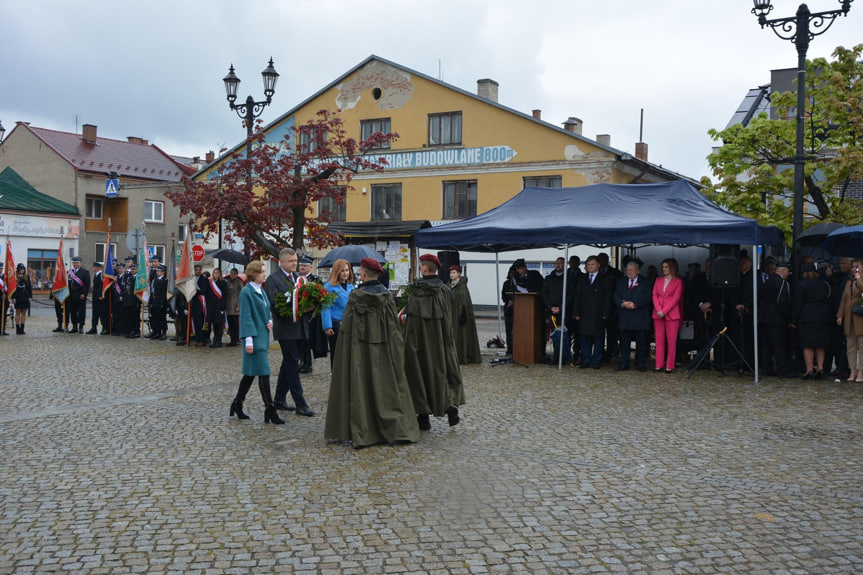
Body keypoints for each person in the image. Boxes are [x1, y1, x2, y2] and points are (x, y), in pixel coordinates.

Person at [325, 257, 421, 448]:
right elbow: (394, 331)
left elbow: (347, 332)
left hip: (359, 352)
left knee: (360, 386)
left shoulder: (355, 298)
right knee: (388, 387)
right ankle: (395, 429)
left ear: (363, 273)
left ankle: (363, 430)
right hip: (384, 352)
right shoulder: (386, 298)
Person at [403, 253, 465, 430]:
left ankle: (423, 416)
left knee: (418, 374)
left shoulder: (415, 292)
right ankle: (449, 407)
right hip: (440, 341)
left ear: (424, 268)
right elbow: (448, 318)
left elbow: (410, 323)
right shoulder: (444, 291)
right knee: (441, 372)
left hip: (417, 343)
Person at [229, 260, 283, 424]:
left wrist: (269, 321)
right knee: (264, 372)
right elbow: (246, 317)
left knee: (251, 374)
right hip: (253, 337)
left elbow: (266, 310)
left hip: (262, 335)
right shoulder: (246, 292)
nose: (264, 274)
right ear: (253, 274)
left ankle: (237, 403)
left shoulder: (262, 290)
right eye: (261, 272)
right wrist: (249, 340)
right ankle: (270, 409)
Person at [265, 247, 315, 417]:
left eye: (296, 261)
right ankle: (300, 403)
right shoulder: (274, 279)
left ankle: (279, 398)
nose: (295, 264)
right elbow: (275, 305)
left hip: (300, 328)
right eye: (291, 261)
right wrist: (295, 307)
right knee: (293, 365)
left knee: (288, 364)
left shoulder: (298, 279)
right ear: (282, 262)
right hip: (286, 330)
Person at [791, 263, 833, 379]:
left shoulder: (801, 285)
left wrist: (794, 320)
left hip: (807, 316)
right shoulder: (824, 285)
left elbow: (798, 304)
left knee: (807, 344)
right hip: (823, 316)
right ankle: (820, 368)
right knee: (821, 344)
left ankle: (809, 369)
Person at [612, 260, 652, 372]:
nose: (629, 272)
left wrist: (635, 304)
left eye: (631, 270)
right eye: (628, 270)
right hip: (625, 317)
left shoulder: (646, 281)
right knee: (624, 342)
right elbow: (615, 295)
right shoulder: (621, 281)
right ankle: (624, 363)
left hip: (640, 316)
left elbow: (647, 296)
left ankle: (641, 363)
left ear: (637, 271)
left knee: (641, 343)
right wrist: (623, 303)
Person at [572, 255, 610, 369]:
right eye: (588, 264)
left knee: (598, 337)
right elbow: (576, 296)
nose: (590, 266)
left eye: (592, 264)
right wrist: (576, 312)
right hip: (584, 313)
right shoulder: (582, 278)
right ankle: (586, 359)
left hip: (598, 313)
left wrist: (606, 313)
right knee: (584, 337)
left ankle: (596, 361)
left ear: (598, 265)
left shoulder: (605, 278)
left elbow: (607, 297)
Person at [758, 259, 794, 377]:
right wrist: (788, 319)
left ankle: (767, 368)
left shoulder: (768, 281)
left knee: (766, 346)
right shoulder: (783, 283)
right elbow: (783, 303)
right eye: (787, 272)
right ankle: (782, 370)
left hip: (764, 318)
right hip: (776, 319)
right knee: (779, 345)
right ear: (783, 271)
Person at [652, 258, 684, 373]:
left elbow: (676, 299)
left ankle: (670, 365)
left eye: (666, 267)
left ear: (672, 268)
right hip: (658, 313)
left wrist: (664, 311)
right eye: (663, 267)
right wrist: (658, 309)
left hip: (671, 313)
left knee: (671, 340)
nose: (663, 269)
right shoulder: (658, 280)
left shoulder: (678, 282)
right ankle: (658, 364)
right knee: (659, 340)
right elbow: (654, 295)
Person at [321, 258, 354, 367]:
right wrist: (327, 325)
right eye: (342, 271)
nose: (345, 273)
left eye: (347, 270)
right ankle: (335, 375)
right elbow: (326, 307)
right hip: (336, 324)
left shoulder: (351, 286)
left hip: (349, 323)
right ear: (336, 271)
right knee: (337, 352)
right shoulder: (329, 287)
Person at [297, 256, 327, 373]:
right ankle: (302, 362)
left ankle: (307, 364)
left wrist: (312, 306)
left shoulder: (315, 280)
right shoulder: (296, 279)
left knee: (308, 340)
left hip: (311, 315)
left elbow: (322, 296)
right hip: (298, 314)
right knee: (299, 339)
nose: (302, 267)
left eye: (305, 265)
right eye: (301, 265)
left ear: (310, 267)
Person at [542, 257, 573, 364]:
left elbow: (570, 296)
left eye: (561, 263)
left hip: (564, 311)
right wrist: (551, 307)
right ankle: (556, 357)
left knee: (564, 335)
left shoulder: (568, 279)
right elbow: (544, 294)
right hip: (552, 311)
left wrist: (560, 307)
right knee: (555, 335)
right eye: (557, 263)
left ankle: (564, 357)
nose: (558, 265)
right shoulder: (549, 278)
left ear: (565, 265)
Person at [836, 258, 863, 383]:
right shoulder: (848, 281)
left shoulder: (859, 280)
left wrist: (859, 280)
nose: (854, 269)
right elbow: (844, 299)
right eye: (853, 267)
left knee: (862, 346)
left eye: (857, 266)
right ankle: (852, 370)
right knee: (850, 346)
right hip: (849, 317)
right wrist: (840, 315)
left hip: (860, 317)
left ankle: (861, 371)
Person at [449, 265, 482, 365]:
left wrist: (463, 314)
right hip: (451, 314)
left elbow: (465, 302)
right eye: (450, 273)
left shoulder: (463, 287)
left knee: (462, 335)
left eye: (454, 272)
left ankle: (463, 355)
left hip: (461, 315)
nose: (451, 275)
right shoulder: (448, 286)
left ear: (459, 274)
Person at [65, 256, 90, 333]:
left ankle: (81, 326)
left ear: (80, 263)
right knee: (73, 311)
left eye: (77, 263)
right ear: (72, 263)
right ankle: (74, 326)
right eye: (74, 263)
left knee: (81, 311)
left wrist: (84, 294)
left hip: (80, 295)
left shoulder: (85, 272)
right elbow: (66, 284)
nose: (76, 264)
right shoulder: (69, 272)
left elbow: (87, 284)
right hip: (71, 295)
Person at [86, 262, 110, 335]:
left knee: (102, 314)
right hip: (95, 297)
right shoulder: (96, 275)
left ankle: (105, 328)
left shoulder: (102, 275)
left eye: (94, 267)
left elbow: (102, 286)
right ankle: (94, 327)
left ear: (97, 268)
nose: (93, 268)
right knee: (95, 314)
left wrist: (101, 295)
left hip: (100, 298)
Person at [190, 264, 210, 347]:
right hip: (194, 302)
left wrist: (195, 291)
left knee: (200, 321)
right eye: (196, 270)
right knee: (195, 322)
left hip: (201, 302)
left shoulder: (204, 279)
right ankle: (197, 338)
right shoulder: (192, 279)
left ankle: (202, 339)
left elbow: (204, 291)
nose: (197, 271)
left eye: (199, 270)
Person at [206, 268, 227, 347]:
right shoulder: (211, 283)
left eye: (217, 273)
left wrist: (222, 308)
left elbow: (224, 296)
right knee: (214, 325)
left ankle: (218, 341)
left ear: (220, 274)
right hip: (212, 307)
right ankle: (215, 341)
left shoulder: (223, 283)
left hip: (219, 307)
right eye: (214, 273)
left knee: (219, 325)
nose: (216, 274)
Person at [501, 265, 519, 355]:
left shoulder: (519, 283)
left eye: (514, 273)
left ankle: (517, 347)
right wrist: (508, 301)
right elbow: (503, 295)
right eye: (511, 273)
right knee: (509, 329)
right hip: (508, 309)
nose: (512, 275)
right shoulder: (506, 283)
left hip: (519, 309)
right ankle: (510, 348)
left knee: (517, 329)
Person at [223, 268, 244, 347]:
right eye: (231, 273)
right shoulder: (227, 281)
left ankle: (235, 340)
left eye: (234, 273)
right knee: (230, 325)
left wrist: (239, 305)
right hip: (228, 307)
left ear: (236, 274)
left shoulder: (239, 282)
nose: (232, 275)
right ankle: (232, 339)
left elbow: (241, 295)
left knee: (235, 325)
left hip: (235, 307)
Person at [148, 265, 169, 340]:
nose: (157, 272)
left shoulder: (165, 281)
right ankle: (156, 332)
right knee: (154, 317)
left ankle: (163, 332)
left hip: (161, 301)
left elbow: (164, 293)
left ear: (163, 272)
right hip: (154, 301)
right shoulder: (155, 280)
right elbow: (152, 291)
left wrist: (163, 303)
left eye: (158, 271)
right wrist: (150, 301)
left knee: (162, 318)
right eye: (156, 271)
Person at [12, 263, 32, 335]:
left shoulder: (26, 277)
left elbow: (29, 287)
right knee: (18, 313)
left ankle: (22, 328)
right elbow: (13, 288)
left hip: (25, 297)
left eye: (23, 269)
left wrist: (30, 296)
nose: (22, 270)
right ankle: (17, 328)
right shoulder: (15, 277)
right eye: (21, 269)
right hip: (18, 297)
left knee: (24, 313)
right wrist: (13, 297)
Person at [0, 262, 8, 336]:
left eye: (2, 269)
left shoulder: (4, 278)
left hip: (4, 299)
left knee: (4, 314)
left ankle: (3, 328)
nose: (1, 270)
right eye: (0, 269)